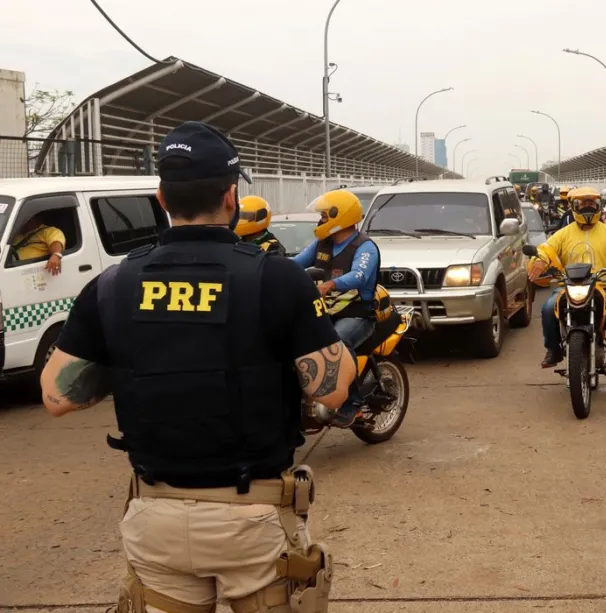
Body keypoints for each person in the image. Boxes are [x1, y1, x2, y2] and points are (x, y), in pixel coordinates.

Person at [39, 120, 356, 613]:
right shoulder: (276, 278)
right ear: (231, 197)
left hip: (156, 518)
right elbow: (331, 390)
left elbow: (57, 396)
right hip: (252, 518)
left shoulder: (114, 285)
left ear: (162, 198)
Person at [528, 186, 606, 398]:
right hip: (568, 287)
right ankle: (553, 350)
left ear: (599, 206)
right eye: (583, 203)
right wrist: (539, 261)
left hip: (601, 288)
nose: (588, 207)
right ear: (574, 206)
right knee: (547, 309)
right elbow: (546, 250)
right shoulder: (564, 233)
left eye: (592, 203)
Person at [292, 189, 382, 425]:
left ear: (340, 216)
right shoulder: (322, 244)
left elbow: (359, 275)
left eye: (324, 216)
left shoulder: (365, 247)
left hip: (358, 314)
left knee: (338, 343)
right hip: (326, 311)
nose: (320, 220)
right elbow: (296, 263)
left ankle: (353, 403)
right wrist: (268, 267)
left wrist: (331, 284)